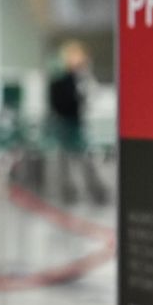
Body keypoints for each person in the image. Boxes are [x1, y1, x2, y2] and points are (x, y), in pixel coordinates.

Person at [46, 41, 108, 205]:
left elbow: (85, 99)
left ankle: (96, 194)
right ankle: (68, 194)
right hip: (64, 126)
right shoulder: (60, 80)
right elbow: (60, 104)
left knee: (84, 162)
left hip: (76, 125)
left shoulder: (78, 79)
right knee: (66, 164)